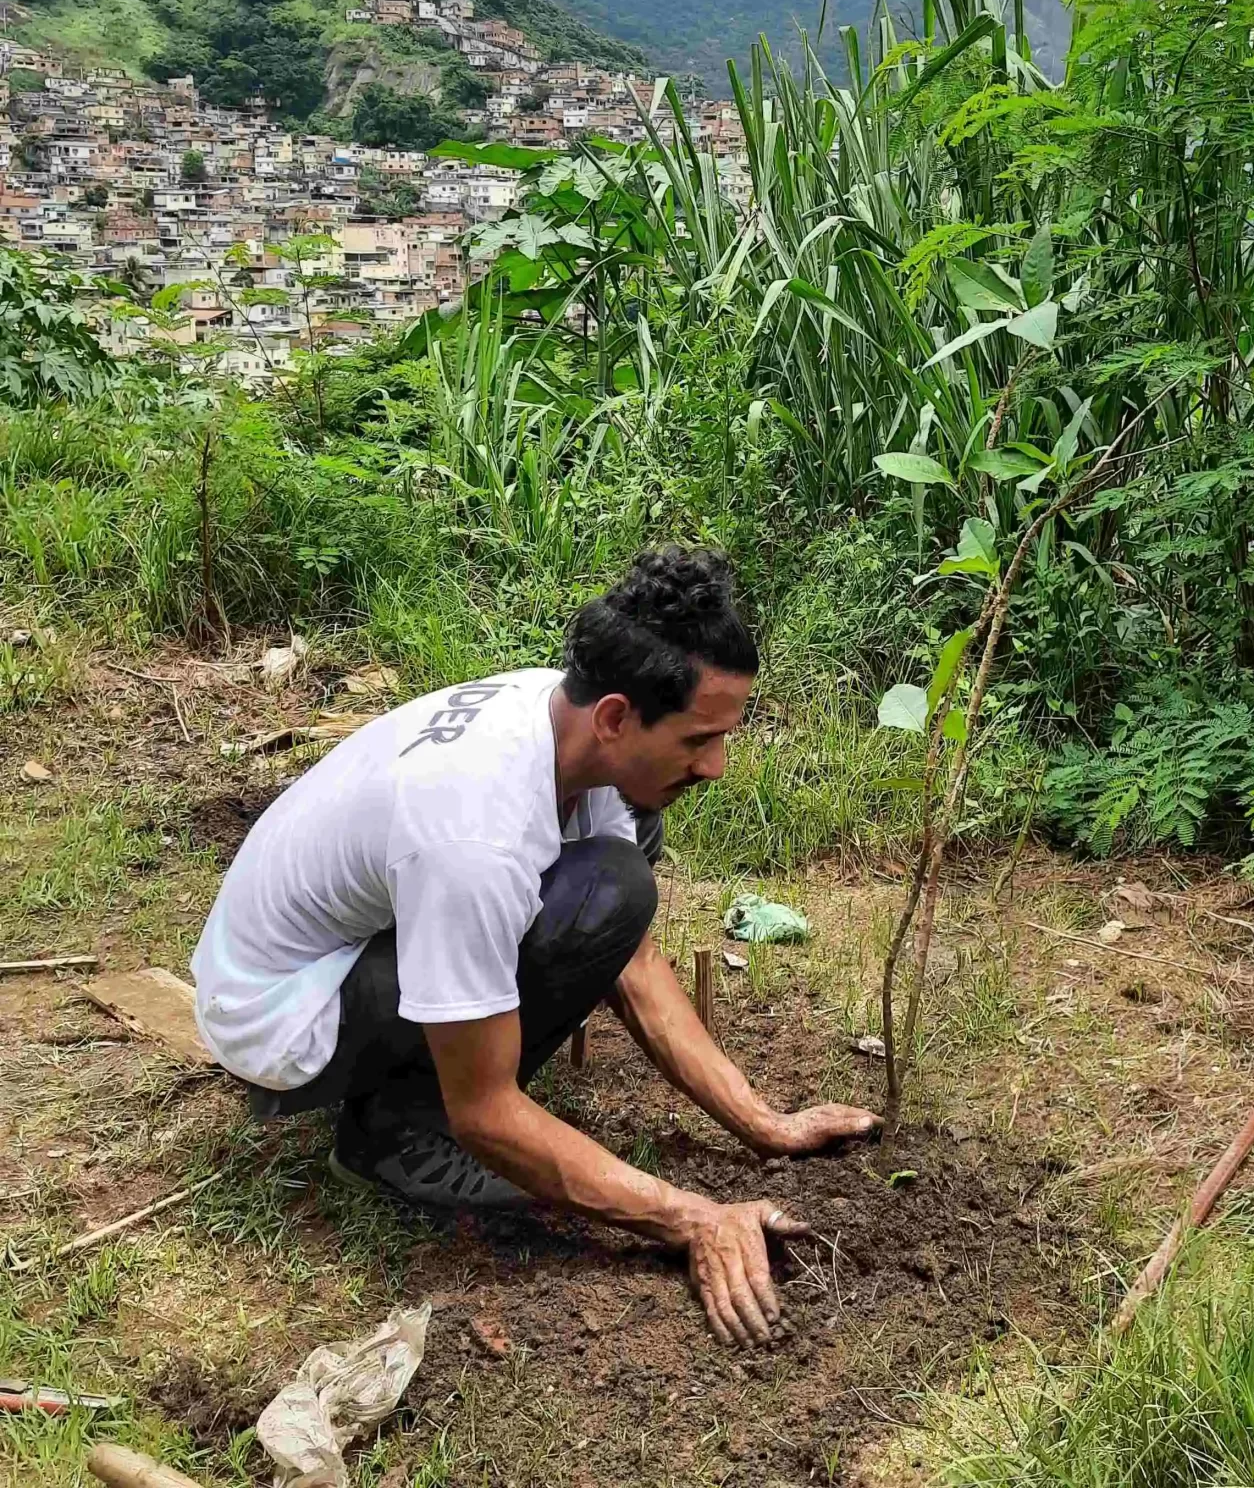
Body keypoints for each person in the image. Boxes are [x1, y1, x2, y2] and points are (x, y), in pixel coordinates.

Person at [190, 547, 878, 1349]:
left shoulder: (559, 716)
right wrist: (691, 1219)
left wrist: (765, 1123)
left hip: (341, 942)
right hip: (280, 1013)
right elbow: (486, 1112)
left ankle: (410, 1087)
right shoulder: (475, 833)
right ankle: (394, 1138)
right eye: (698, 739)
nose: (718, 767)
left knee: (617, 876)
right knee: (600, 893)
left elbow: (635, 963)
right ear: (618, 717)